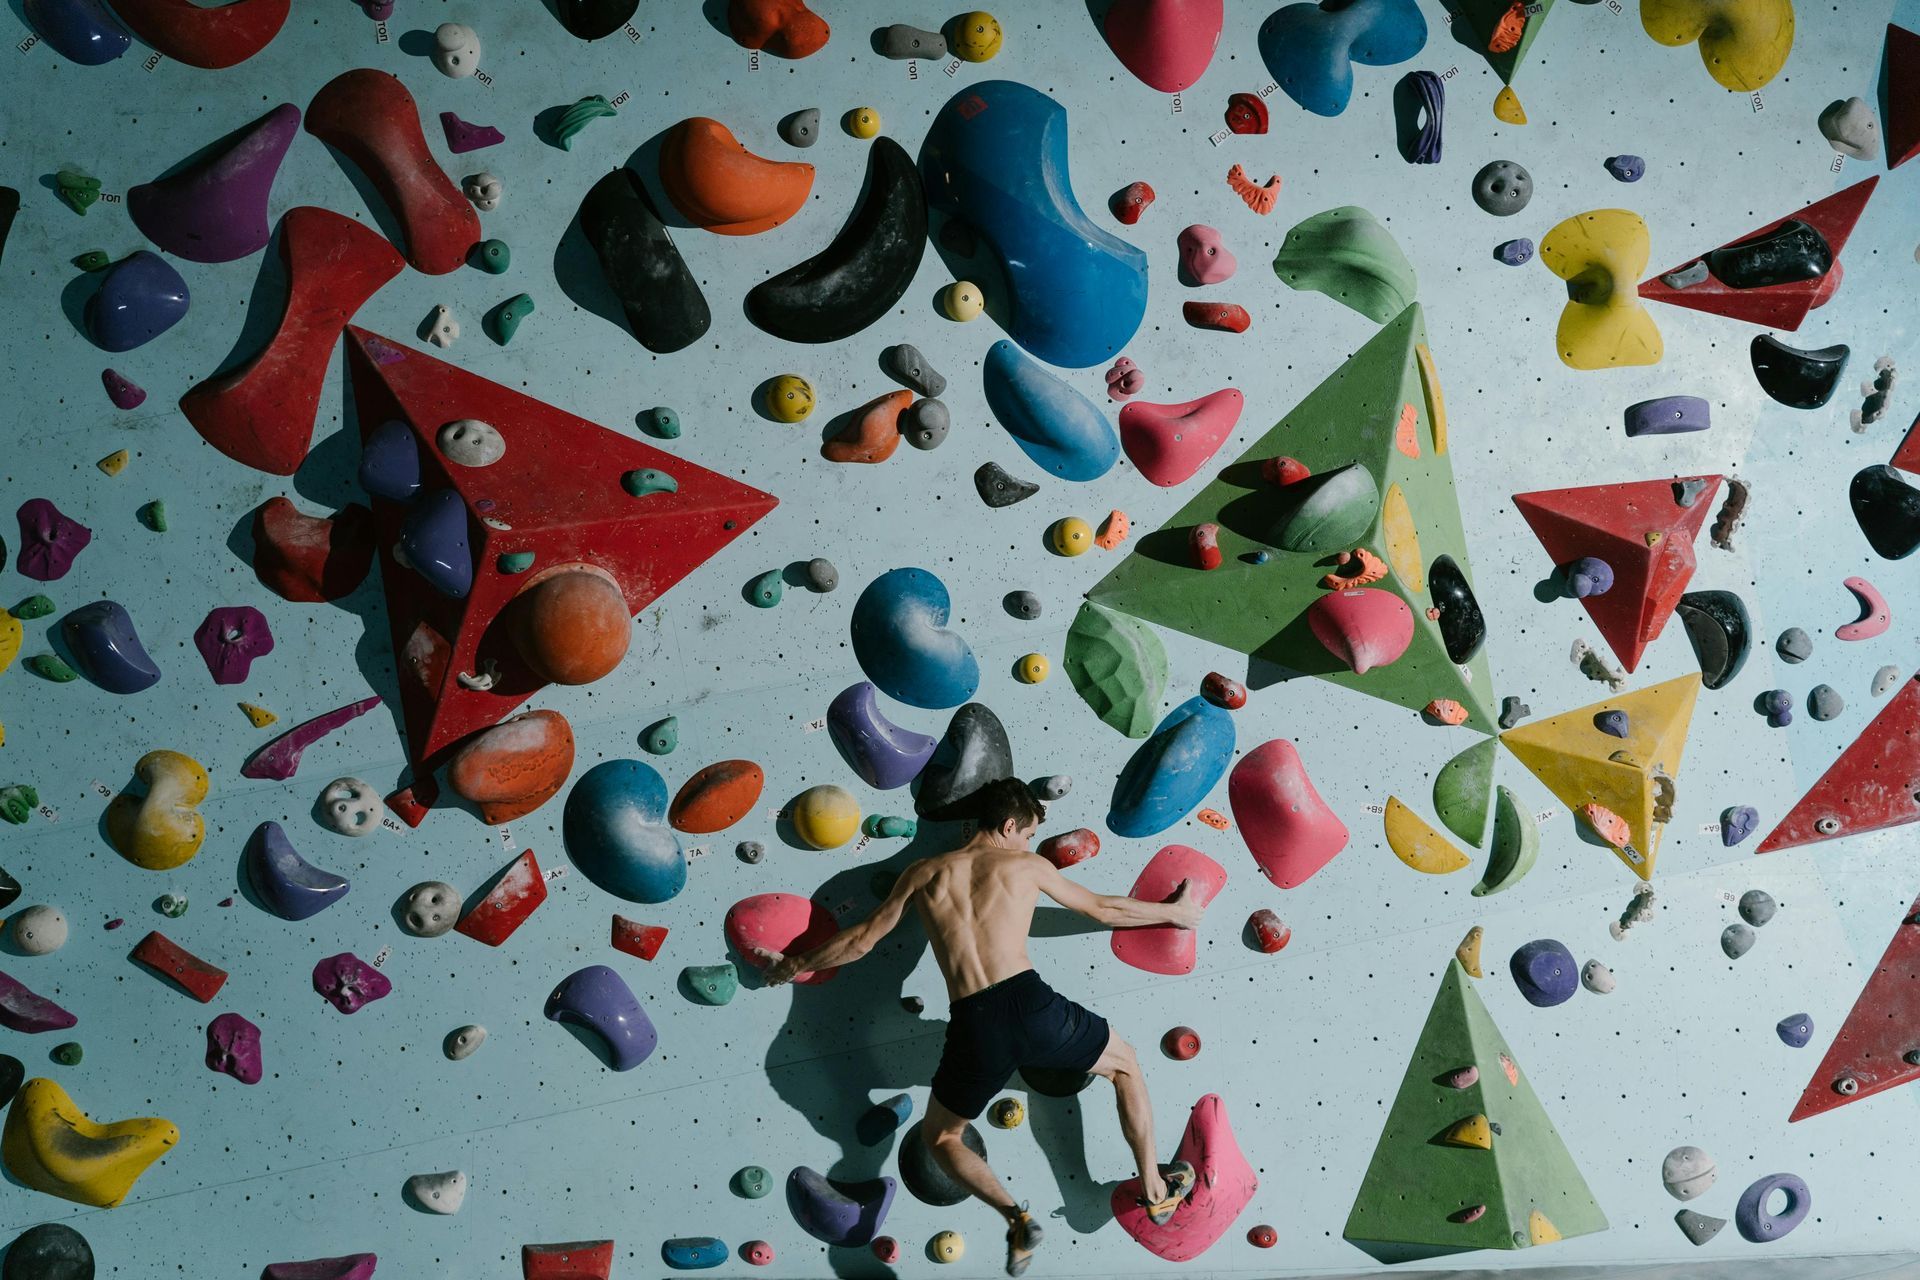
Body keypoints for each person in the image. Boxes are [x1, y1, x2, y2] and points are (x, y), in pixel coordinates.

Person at [756, 777, 1207, 1277]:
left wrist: (794, 964)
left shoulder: (924, 872)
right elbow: (1103, 909)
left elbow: (861, 940)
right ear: (1009, 826)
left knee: (943, 1138)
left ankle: (1016, 1217)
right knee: (1124, 1067)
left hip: (974, 1022)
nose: (1029, 844)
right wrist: (1176, 913)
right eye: (1028, 834)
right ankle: (1155, 1191)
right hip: (1030, 1003)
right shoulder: (1025, 866)